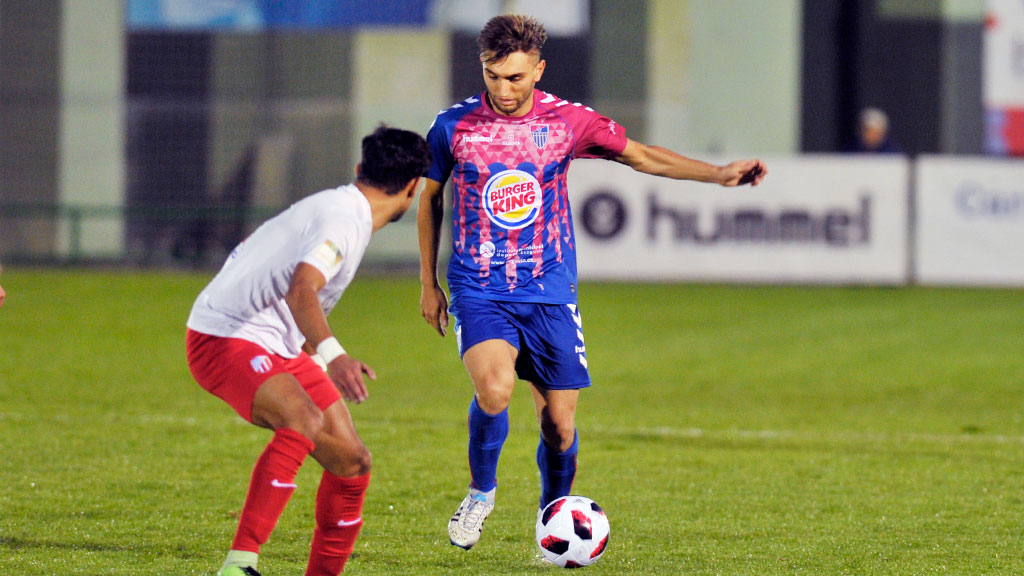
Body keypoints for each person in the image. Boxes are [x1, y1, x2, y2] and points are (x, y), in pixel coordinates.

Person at [417, 13, 768, 550]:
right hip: (479, 285)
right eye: (492, 76)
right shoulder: (453, 126)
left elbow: (643, 156)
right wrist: (428, 282)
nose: (502, 90)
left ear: (538, 68)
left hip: (551, 291)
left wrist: (718, 174)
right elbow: (430, 197)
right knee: (495, 388)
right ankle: (480, 493)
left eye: (514, 78)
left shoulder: (567, 122)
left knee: (558, 426)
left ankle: (551, 520)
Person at [186, 125, 431, 576]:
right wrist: (334, 355)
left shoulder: (341, 206)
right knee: (303, 419)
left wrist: (313, 358)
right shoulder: (344, 220)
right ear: (413, 188)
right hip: (225, 335)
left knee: (352, 461)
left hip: (275, 341)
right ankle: (239, 565)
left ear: (361, 169)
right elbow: (303, 288)